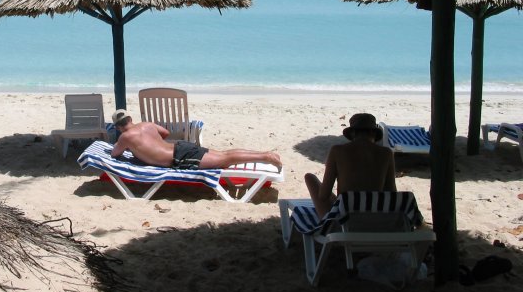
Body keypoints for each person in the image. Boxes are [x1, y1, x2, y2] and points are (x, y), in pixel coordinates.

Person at [110, 109, 282, 170]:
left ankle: (266, 157)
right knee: (224, 155)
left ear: (118, 127)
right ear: (130, 118)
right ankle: (265, 154)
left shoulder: (125, 137)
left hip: (179, 158)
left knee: (225, 160)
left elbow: (114, 154)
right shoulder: (147, 125)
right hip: (180, 147)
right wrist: (155, 143)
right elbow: (165, 133)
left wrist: (133, 149)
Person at [305, 113, 396, 218]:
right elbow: (391, 194)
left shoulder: (337, 151)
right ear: (373, 132)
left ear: (352, 133)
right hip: (375, 216)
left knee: (309, 177)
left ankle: (330, 221)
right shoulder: (386, 153)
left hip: (345, 219)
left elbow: (323, 195)